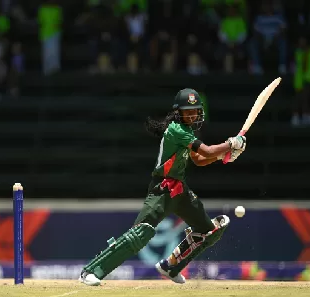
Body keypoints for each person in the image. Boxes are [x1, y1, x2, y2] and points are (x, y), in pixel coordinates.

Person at [79, 88, 246, 286]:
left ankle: (171, 266)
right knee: (140, 234)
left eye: (195, 111)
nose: (192, 115)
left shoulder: (187, 130)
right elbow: (207, 150)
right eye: (188, 111)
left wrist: (222, 155)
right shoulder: (177, 129)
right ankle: (91, 271)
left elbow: (200, 159)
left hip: (180, 191)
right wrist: (230, 144)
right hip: (162, 190)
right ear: (178, 112)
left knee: (208, 231)